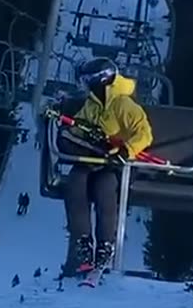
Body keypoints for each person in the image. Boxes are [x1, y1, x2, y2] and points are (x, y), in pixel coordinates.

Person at [61, 57, 152, 274]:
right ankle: (83, 241)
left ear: (101, 80)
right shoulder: (92, 104)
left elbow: (144, 134)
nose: (85, 85)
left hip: (114, 164)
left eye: (87, 80)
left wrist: (125, 150)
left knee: (104, 188)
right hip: (92, 160)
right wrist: (74, 134)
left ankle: (105, 244)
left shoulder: (123, 103)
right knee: (76, 183)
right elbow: (80, 127)